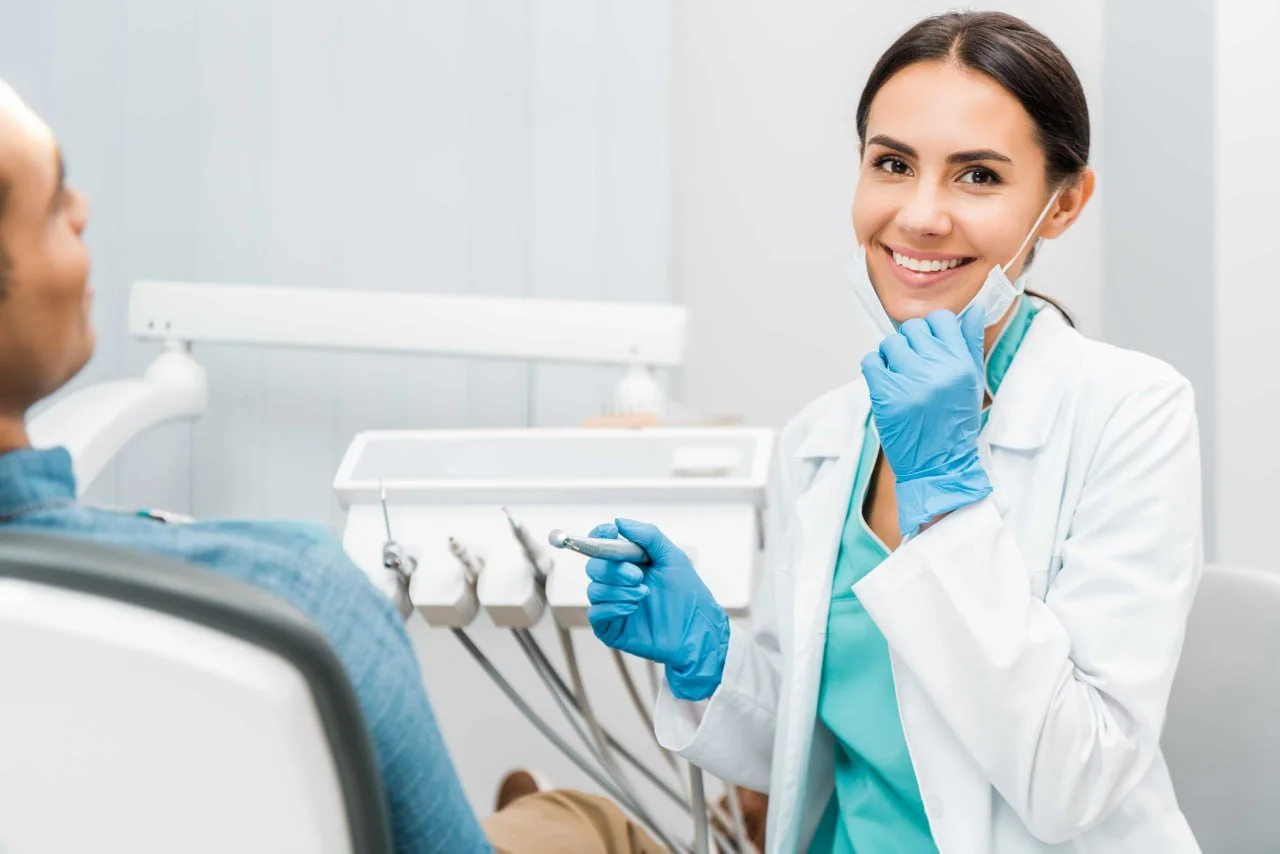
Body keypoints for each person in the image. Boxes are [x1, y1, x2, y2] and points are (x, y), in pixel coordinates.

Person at [585, 11, 1202, 854]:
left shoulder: (1131, 413)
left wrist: (945, 496)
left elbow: (1076, 782)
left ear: (1063, 205)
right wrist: (710, 661)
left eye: (977, 176)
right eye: (892, 164)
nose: (918, 216)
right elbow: (812, 748)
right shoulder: (821, 439)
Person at [0, 79, 666, 854]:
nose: (81, 209)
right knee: (600, 825)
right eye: (51, 205)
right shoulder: (300, 598)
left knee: (539, 817)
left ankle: (535, 810)